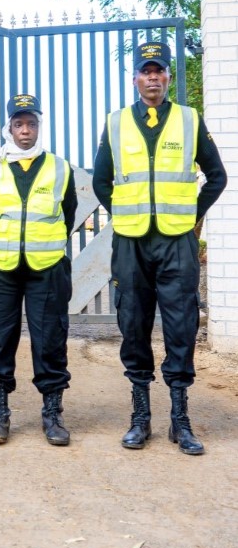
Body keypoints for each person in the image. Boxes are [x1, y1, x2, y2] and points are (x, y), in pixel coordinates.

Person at [93, 41, 227, 455]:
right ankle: (140, 418)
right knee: (133, 324)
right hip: (132, 242)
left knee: (181, 326)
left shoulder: (189, 120)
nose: (153, 77)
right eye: (145, 70)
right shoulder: (116, 123)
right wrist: (126, 212)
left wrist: (191, 216)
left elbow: (216, 176)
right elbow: (101, 180)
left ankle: (180, 421)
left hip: (176, 242)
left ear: (168, 77)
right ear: (135, 78)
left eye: (160, 70)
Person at [0, 94, 77, 445]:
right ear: (9, 128)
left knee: (50, 339)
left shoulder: (59, 167)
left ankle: (52, 415)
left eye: (31, 124)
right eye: (19, 124)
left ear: (39, 126)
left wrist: (43, 242)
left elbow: (69, 214)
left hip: (46, 267)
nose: (26, 131)